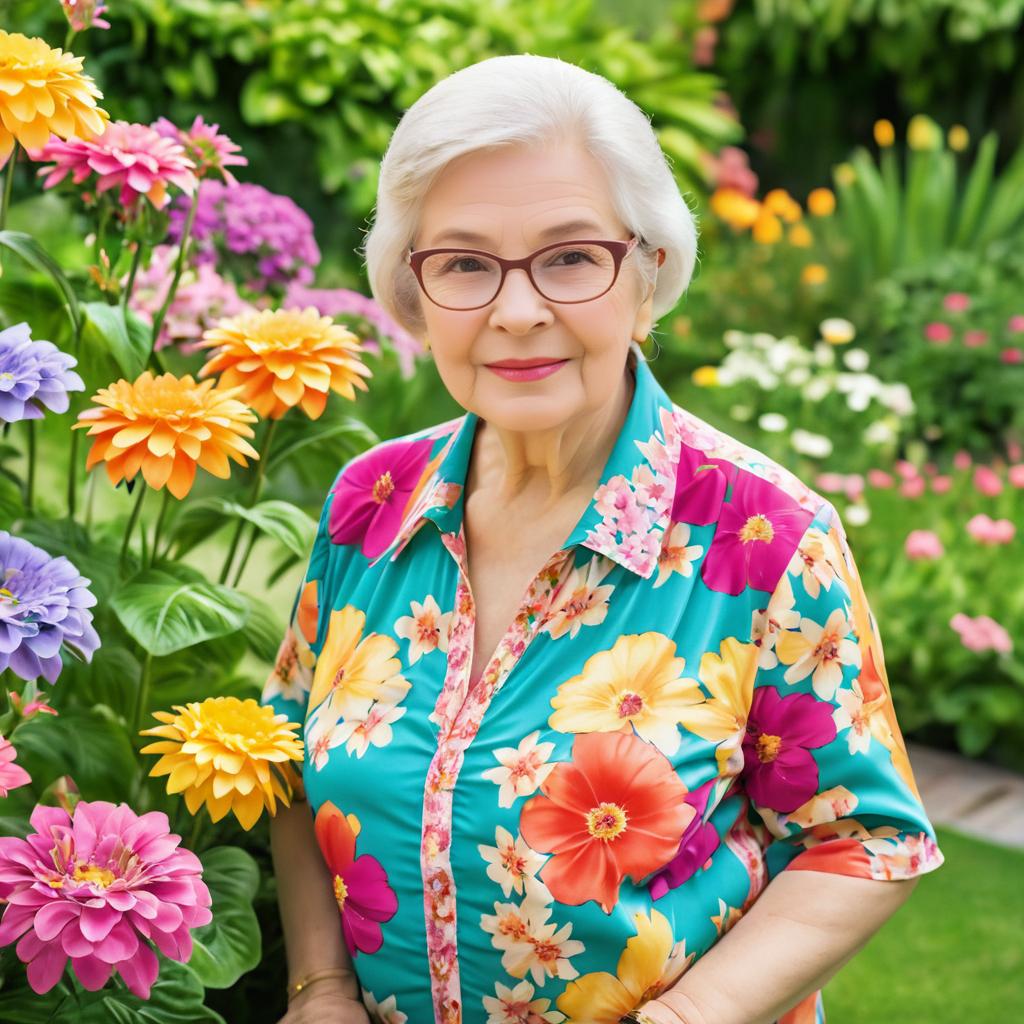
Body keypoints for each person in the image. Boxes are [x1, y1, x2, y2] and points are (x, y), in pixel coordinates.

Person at [262, 53, 944, 1024]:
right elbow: (290, 759)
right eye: (463, 263)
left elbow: (863, 838)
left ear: (650, 270)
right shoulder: (370, 502)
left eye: (571, 257)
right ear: (411, 289)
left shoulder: (766, 538)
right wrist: (320, 987)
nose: (518, 311)